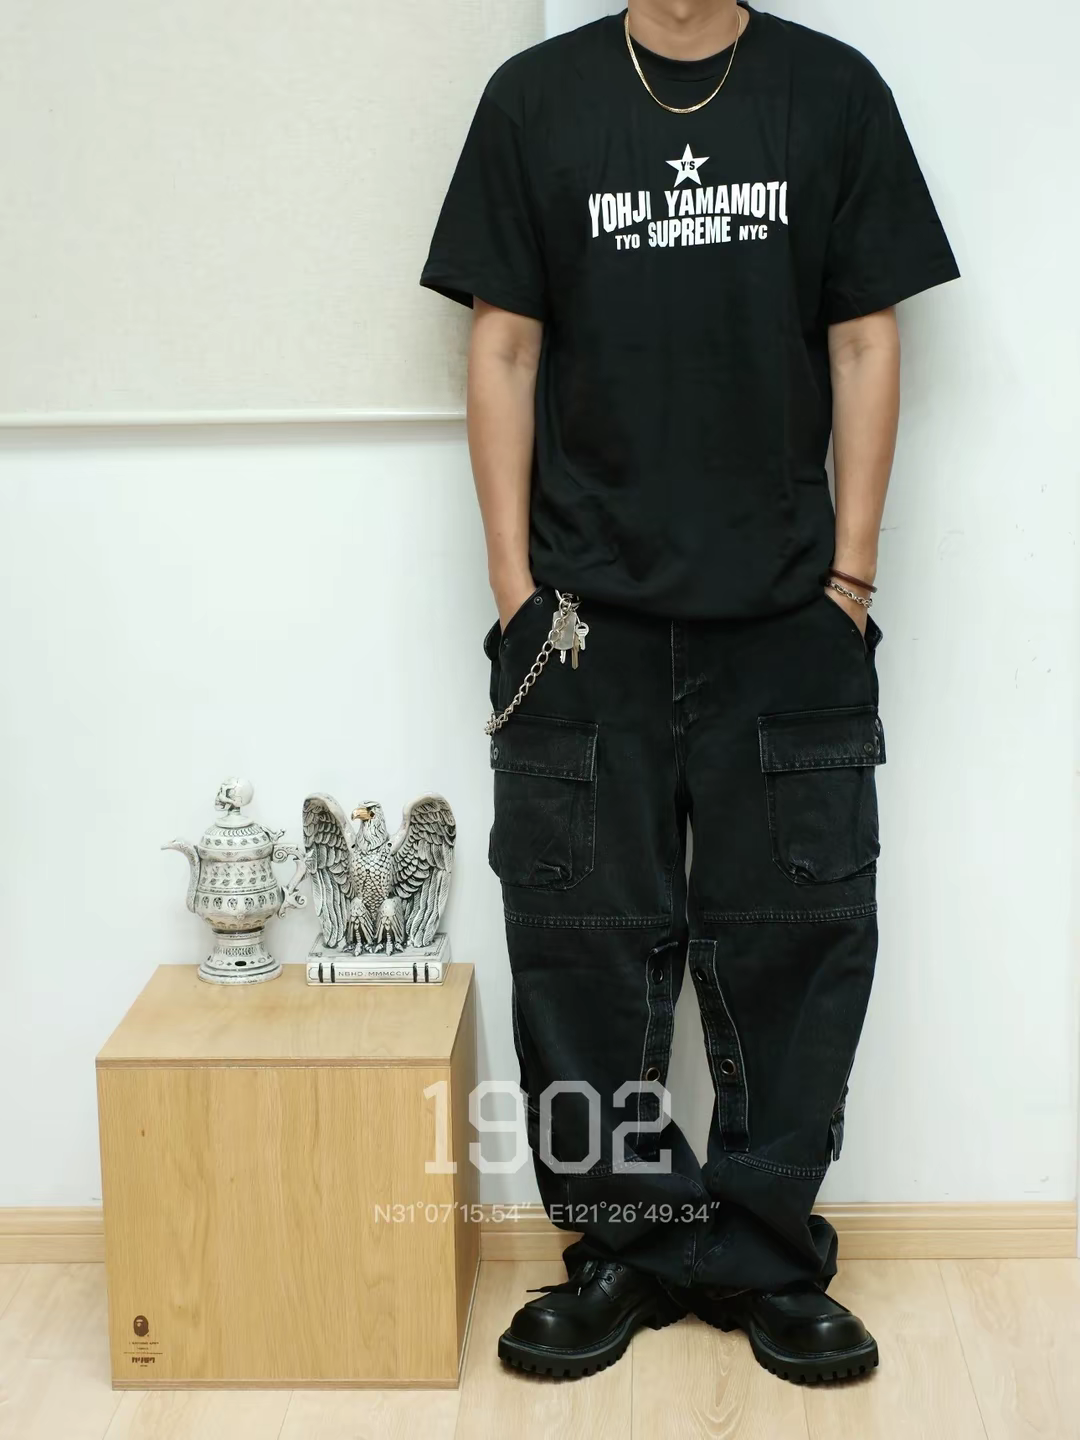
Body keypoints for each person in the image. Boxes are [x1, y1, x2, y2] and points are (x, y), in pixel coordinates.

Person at [420, 0, 959, 1385]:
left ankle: (767, 1256)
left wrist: (850, 578)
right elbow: (502, 345)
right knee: (582, 950)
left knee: (800, 941)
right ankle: (622, 1250)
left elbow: (865, 337)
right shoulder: (536, 99)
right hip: (580, 622)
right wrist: (514, 591)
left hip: (786, 617)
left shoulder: (831, 92)